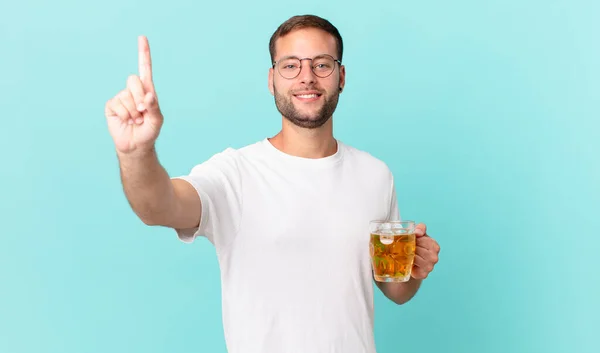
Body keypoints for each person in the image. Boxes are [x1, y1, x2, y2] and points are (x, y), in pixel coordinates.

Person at [104, 14, 440, 353]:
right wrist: (136, 153)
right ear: (271, 79)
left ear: (341, 76)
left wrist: (415, 271)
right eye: (290, 65)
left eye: (322, 64)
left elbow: (395, 289)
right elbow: (158, 206)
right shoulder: (235, 174)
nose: (306, 78)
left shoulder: (375, 174)